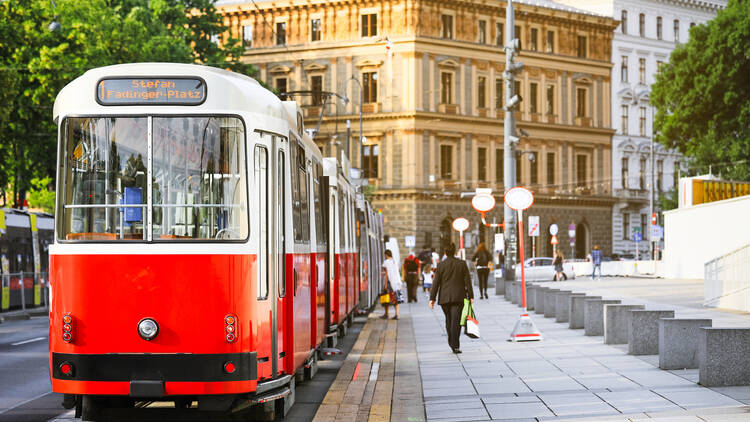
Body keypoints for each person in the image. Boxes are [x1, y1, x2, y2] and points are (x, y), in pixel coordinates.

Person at [429, 243, 474, 354]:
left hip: (444, 298)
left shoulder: (441, 265)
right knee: (456, 320)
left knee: (449, 320)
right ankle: (455, 345)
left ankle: (452, 342)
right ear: (454, 252)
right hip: (459, 296)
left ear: (445, 253)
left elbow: (436, 283)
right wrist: (471, 296)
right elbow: (467, 281)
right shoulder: (462, 264)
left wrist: (432, 298)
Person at [381, 249, 403, 319]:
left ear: (386, 255)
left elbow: (387, 273)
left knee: (386, 297)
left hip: (390, 282)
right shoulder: (394, 261)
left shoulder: (386, 262)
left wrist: (385, 284)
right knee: (396, 298)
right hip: (397, 282)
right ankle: (396, 314)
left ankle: (386, 314)